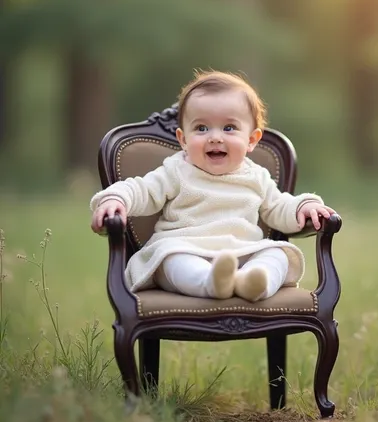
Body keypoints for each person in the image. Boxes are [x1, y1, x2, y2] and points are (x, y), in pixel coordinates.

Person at [90, 70, 337, 301]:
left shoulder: (257, 176)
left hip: (243, 253)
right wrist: (116, 199)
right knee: (173, 260)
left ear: (251, 140)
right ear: (183, 139)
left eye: (229, 128)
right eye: (201, 128)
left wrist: (304, 206)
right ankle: (211, 283)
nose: (215, 137)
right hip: (185, 247)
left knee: (278, 254)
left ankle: (255, 283)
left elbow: (279, 206)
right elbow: (141, 190)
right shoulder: (176, 170)